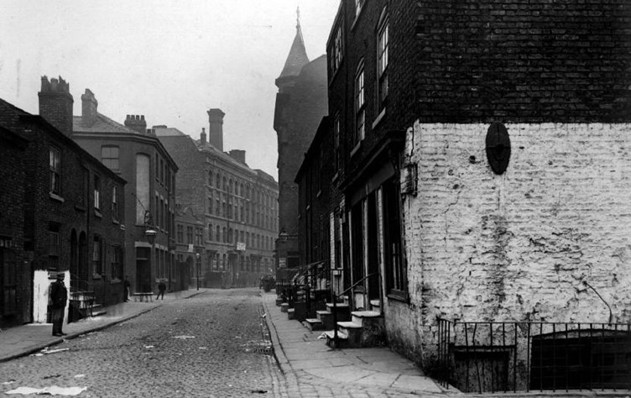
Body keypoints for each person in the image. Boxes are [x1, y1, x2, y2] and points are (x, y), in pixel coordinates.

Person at [49, 272, 68, 337]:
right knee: (56, 318)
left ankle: (60, 330)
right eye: (61, 277)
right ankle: (55, 331)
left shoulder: (62, 284)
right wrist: (57, 301)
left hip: (62, 303)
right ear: (58, 277)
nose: (62, 278)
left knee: (61, 318)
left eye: (63, 277)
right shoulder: (55, 284)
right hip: (57, 304)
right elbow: (52, 294)